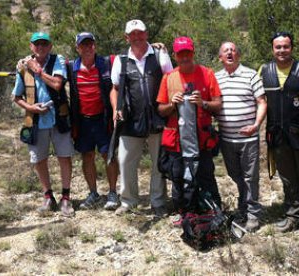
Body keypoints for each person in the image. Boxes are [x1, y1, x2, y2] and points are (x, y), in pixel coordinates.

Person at [260, 32, 299, 240]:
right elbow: (258, 102)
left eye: (285, 46)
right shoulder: (264, 71)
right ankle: (294, 216)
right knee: (287, 179)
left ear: (292, 48)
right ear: (272, 49)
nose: (281, 51)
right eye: (278, 47)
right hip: (277, 136)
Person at [110, 20, 173, 217]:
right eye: (133, 34)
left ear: (146, 34)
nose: (137, 37)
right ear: (126, 37)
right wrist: (115, 109)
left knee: (158, 162)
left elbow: (170, 79)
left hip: (157, 117)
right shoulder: (120, 60)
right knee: (126, 161)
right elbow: (115, 89)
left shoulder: (160, 54)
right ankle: (128, 201)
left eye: (140, 33)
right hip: (130, 119)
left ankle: (158, 201)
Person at [157, 36, 222, 218]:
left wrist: (203, 104)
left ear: (193, 53)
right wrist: (171, 105)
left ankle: (211, 210)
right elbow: (161, 110)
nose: (185, 58)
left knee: (206, 176)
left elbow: (218, 104)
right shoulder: (168, 77)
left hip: (202, 139)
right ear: (175, 56)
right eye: (180, 54)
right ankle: (183, 212)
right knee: (178, 177)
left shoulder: (207, 73)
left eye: (188, 53)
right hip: (177, 141)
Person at [13, 32, 74, 216]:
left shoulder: (57, 60)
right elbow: (16, 97)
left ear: (50, 46)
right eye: (37, 44)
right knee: (39, 160)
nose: (40, 47)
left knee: (64, 157)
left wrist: (38, 70)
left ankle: (65, 198)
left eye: (44, 44)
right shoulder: (22, 67)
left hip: (59, 118)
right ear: (31, 46)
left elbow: (57, 84)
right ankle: (48, 196)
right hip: (36, 121)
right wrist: (31, 107)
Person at [215, 42, 267, 232]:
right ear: (220, 57)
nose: (230, 53)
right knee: (235, 174)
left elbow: (261, 102)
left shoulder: (251, 74)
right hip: (226, 138)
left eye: (233, 50)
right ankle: (244, 204)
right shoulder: (216, 77)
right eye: (225, 51)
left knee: (250, 176)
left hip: (248, 139)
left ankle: (252, 213)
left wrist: (256, 125)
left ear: (239, 55)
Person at [67, 32, 119, 210]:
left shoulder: (107, 63)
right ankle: (93, 194)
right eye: (83, 45)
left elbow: (134, 54)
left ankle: (112, 193)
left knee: (108, 155)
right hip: (83, 121)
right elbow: (47, 65)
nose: (87, 48)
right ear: (77, 48)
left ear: (95, 45)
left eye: (90, 44)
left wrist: (157, 47)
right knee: (87, 155)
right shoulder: (71, 67)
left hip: (103, 119)